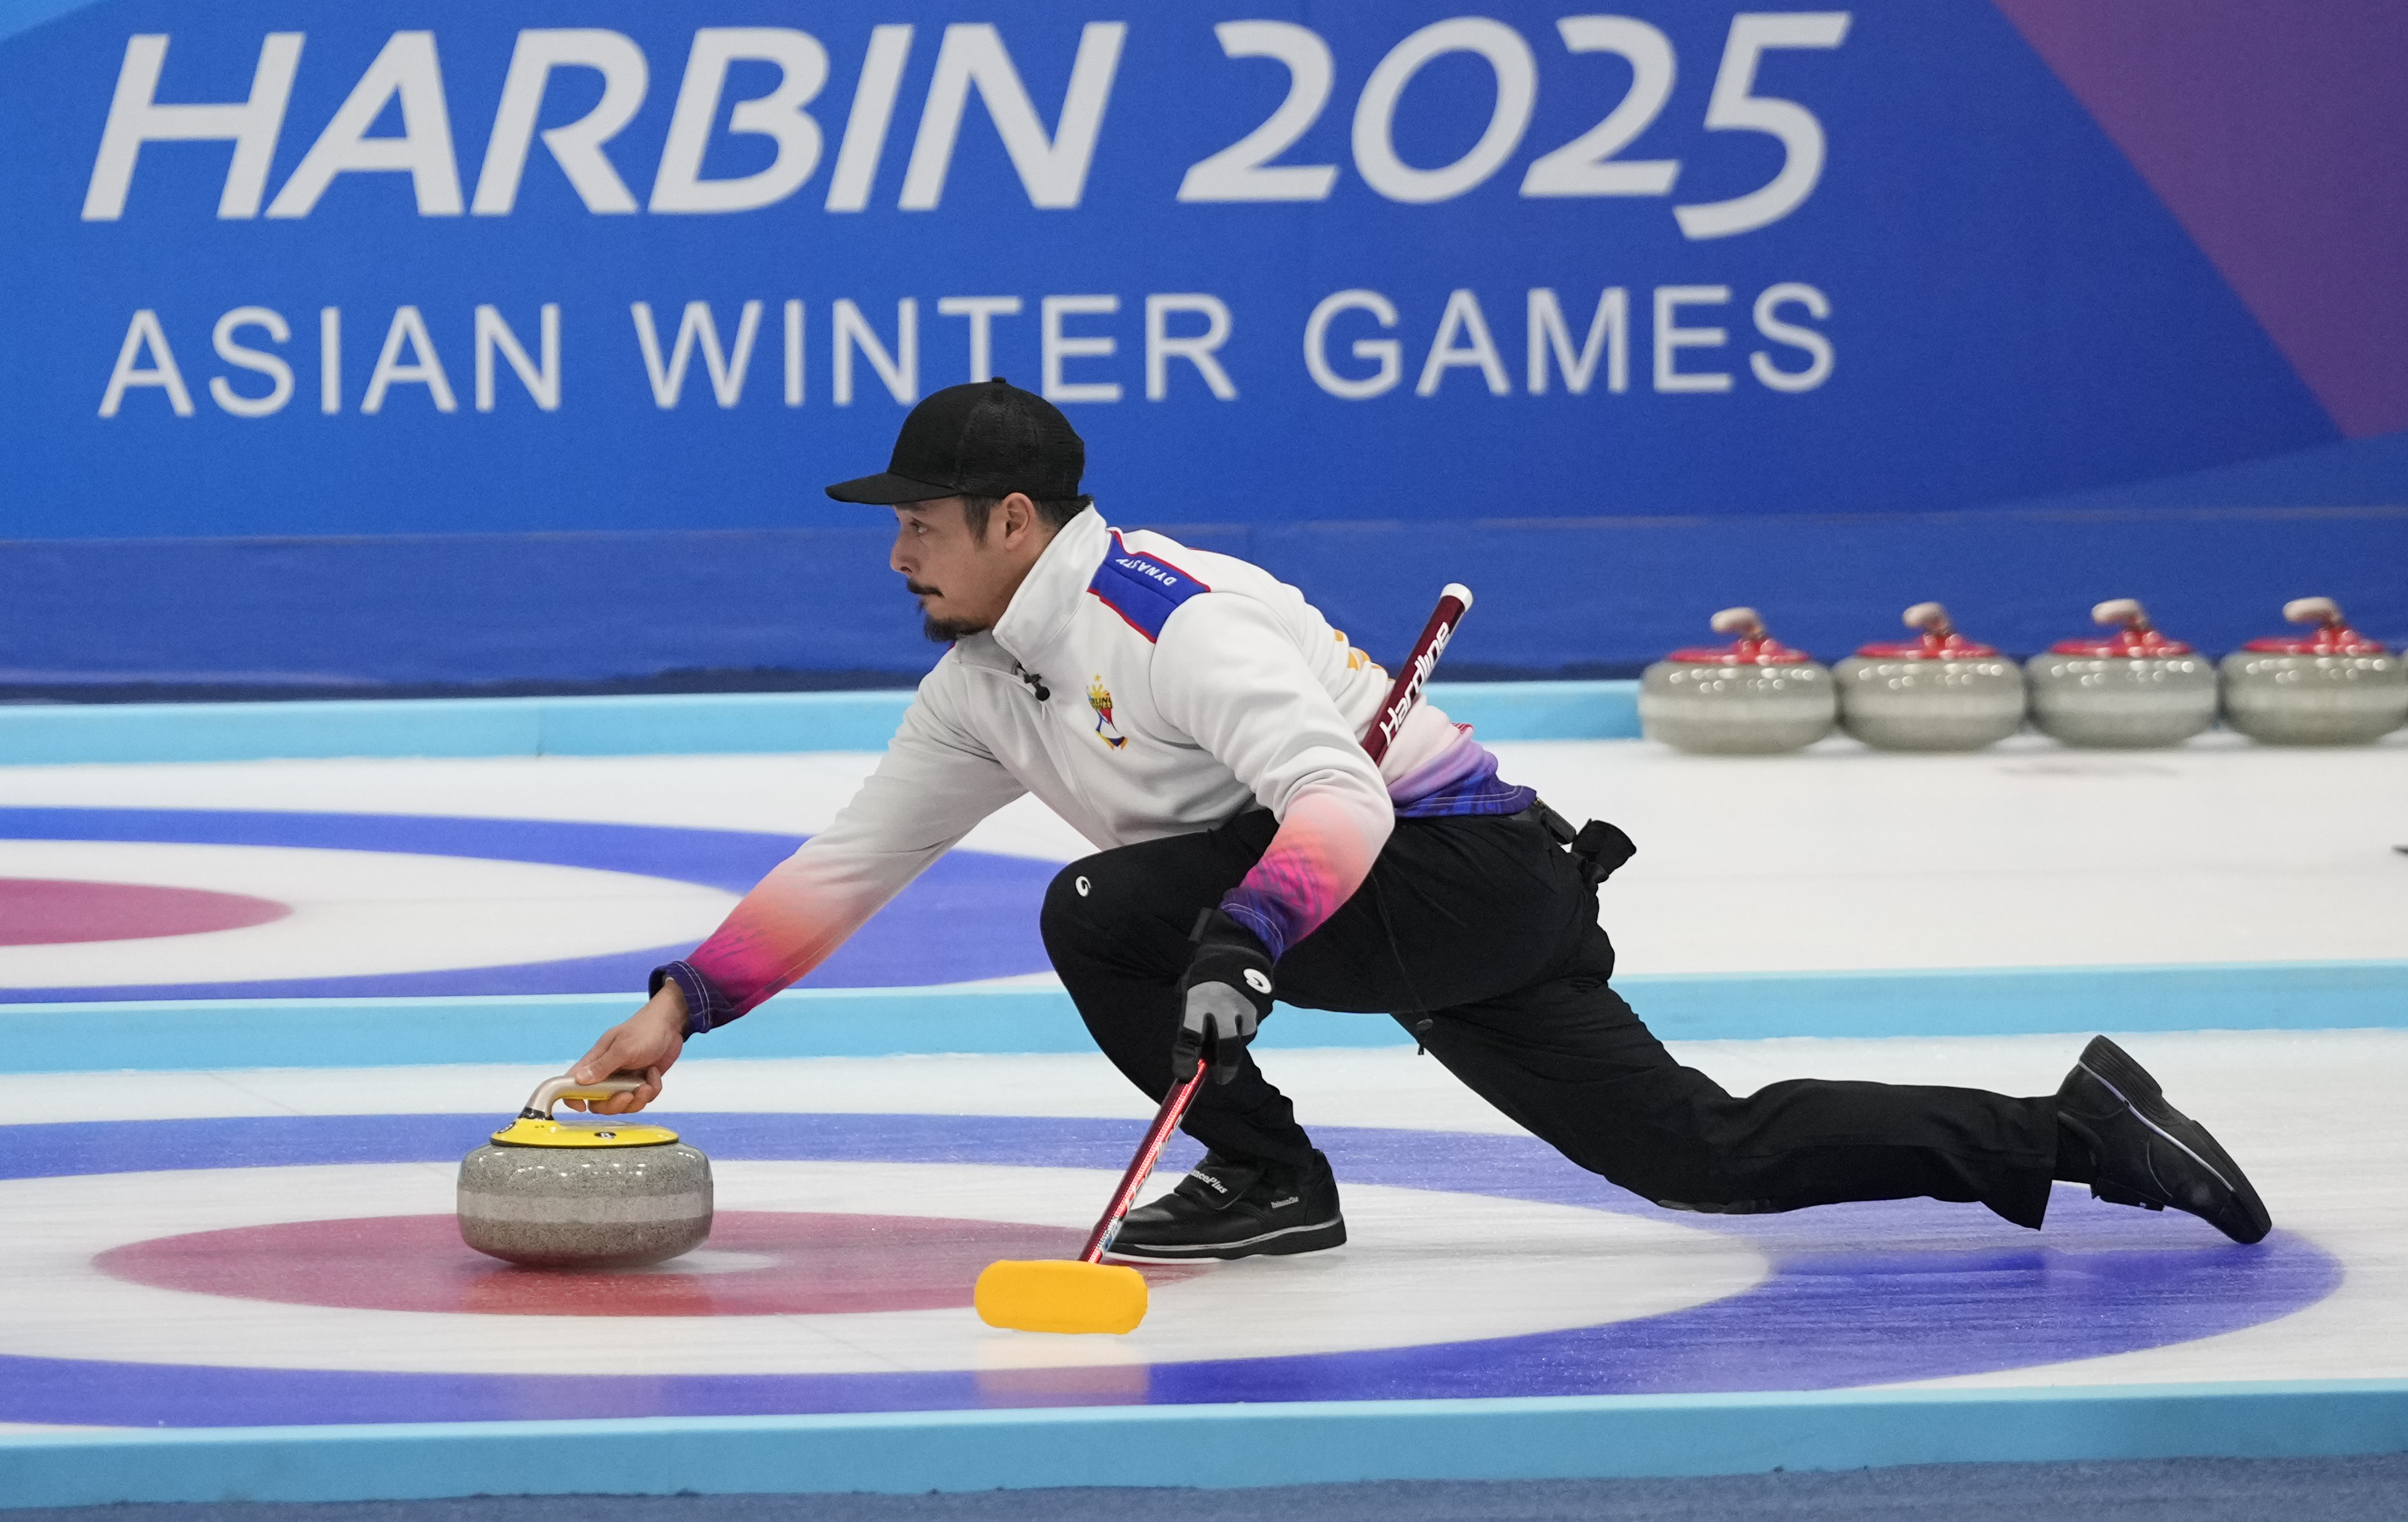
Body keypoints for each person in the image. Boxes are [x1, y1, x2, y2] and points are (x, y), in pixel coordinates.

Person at [568, 379, 2271, 1259]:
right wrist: (683, 1007)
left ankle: (1260, 1176)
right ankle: (2076, 1131)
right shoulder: (981, 684)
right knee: (1702, 1157)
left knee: (1095, 906)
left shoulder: (1176, 620)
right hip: (1398, 918)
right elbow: (853, 860)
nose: (897, 555)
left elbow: (1328, 800)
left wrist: (1241, 940)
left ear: (1017, 519)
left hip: (1460, 871)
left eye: (921, 524)